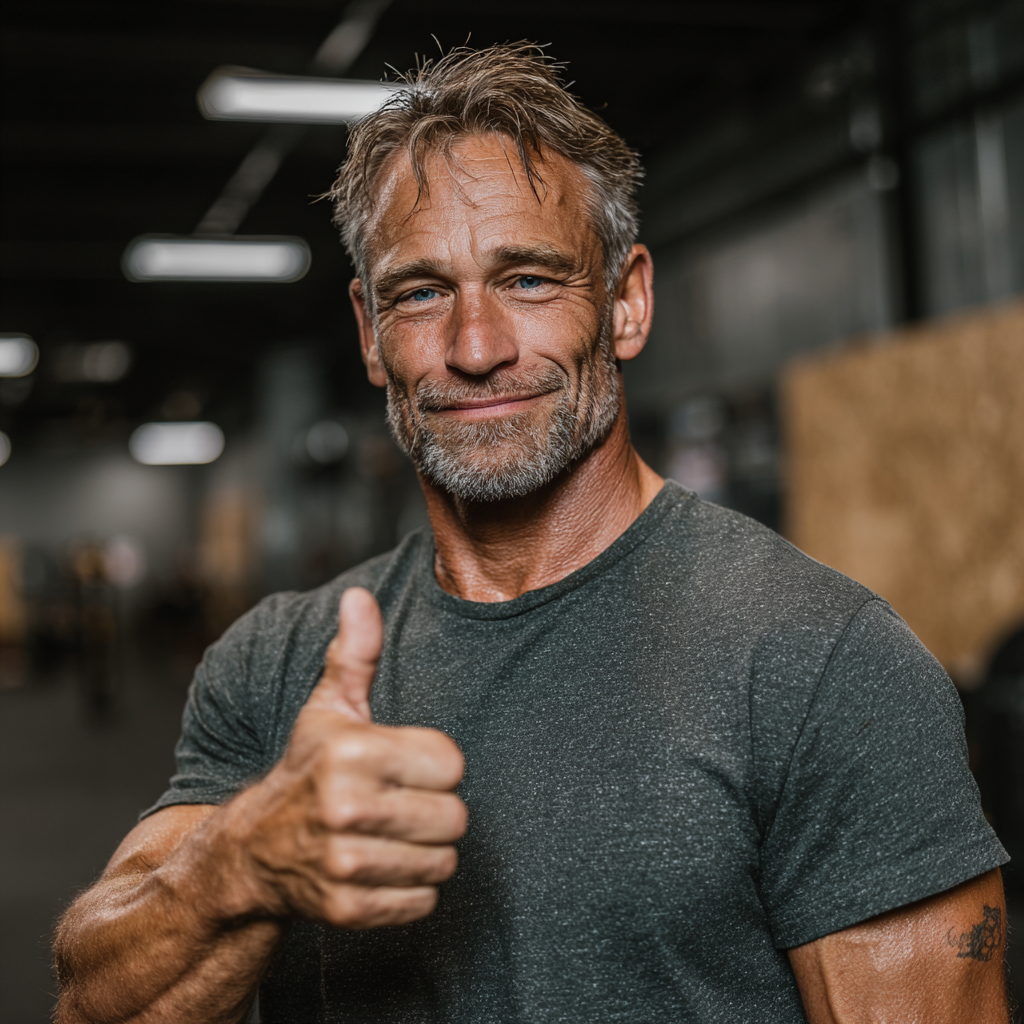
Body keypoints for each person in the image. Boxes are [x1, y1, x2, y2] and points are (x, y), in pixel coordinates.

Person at [54, 44, 1010, 1024]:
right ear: (368, 333)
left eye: (530, 279)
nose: (476, 348)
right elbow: (96, 1003)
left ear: (627, 301)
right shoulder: (278, 662)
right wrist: (243, 860)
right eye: (420, 292)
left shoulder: (823, 662)